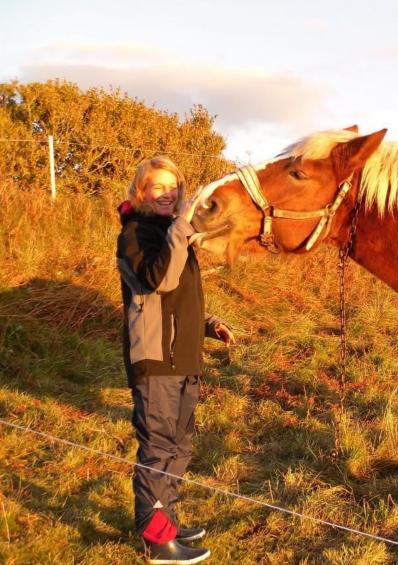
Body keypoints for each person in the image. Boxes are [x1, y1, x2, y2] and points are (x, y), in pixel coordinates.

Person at [117, 156, 234, 564]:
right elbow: (157, 281)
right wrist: (182, 228)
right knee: (158, 448)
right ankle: (156, 540)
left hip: (183, 358)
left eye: (173, 187)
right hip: (155, 361)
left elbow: (177, 300)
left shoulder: (169, 233)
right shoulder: (135, 234)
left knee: (179, 447)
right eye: (158, 187)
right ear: (142, 191)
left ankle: (166, 520)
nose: (168, 194)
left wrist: (209, 324)